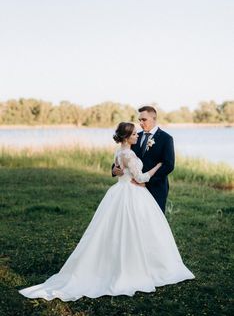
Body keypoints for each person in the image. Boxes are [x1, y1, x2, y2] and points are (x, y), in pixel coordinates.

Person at [19, 122, 194, 302]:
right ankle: (137, 267)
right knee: (136, 228)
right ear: (127, 137)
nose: (137, 136)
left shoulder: (119, 151)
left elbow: (120, 170)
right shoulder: (129, 154)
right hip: (132, 193)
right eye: (134, 134)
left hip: (119, 191)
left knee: (115, 230)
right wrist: (157, 167)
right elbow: (140, 178)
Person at [113, 106, 174, 214]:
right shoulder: (134, 136)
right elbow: (124, 155)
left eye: (144, 119)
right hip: (133, 188)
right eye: (139, 120)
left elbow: (168, 165)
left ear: (154, 119)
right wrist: (114, 169)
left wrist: (146, 182)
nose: (141, 122)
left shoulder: (166, 138)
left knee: (155, 219)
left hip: (156, 187)